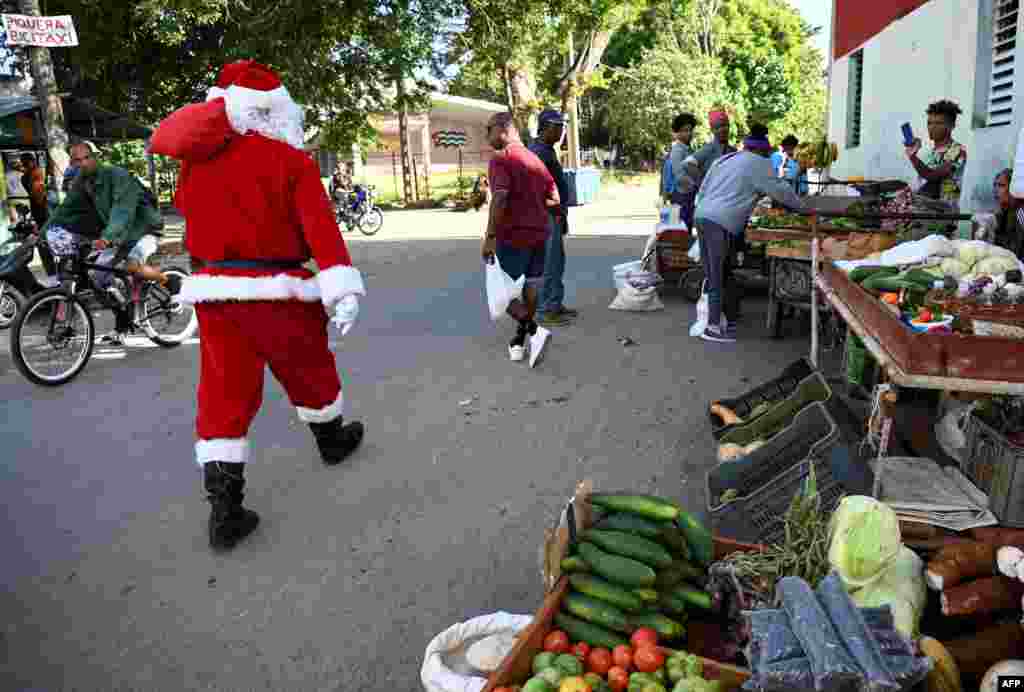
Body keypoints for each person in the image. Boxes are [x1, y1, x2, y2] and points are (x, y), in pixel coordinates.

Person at [148, 60, 367, 552]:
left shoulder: (196, 162)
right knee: (310, 370)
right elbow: (321, 230)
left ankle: (225, 510)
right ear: (278, 112)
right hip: (279, 292)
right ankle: (331, 441)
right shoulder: (293, 163)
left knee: (224, 394)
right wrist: (341, 289)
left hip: (216, 294)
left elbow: (185, 209)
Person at [44, 140, 172, 344]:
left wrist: (106, 237)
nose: (83, 163)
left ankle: (170, 283)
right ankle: (123, 319)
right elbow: (64, 209)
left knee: (132, 265)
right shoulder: (82, 181)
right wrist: (41, 233)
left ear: (97, 157)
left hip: (144, 229)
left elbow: (122, 211)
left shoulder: (118, 176)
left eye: (87, 157)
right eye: (77, 160)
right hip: (119, 235)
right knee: (99, 275)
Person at [693, 124, 805, 343]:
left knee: (718, 272)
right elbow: (781, 191)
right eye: (767, 152)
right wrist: (805, 209)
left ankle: (725, 318)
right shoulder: (759, 164)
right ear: (762, 151)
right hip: (721, 221)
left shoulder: (724, 160)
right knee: (717, 274)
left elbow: (704, 189)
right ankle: (713, 328)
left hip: (702, 215)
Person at [481, 111, 561, 368]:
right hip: (540, 233)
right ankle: (518, 340)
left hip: (512, 235)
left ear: (503, 130)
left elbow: (501, 198)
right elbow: (555, 199)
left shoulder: (501, 159)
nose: (487, 136)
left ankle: (536, 332)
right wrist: (532, 204)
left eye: (489, 129)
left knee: (501, 294)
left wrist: (490, 236)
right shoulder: (535, 160)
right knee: (531, 287)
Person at [529, 108, 577, 327]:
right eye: (558, 127)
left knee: (557, 260)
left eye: (562, 127)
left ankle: (554, 303)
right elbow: (537, 190)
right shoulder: (539, 152)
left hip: (553, 214)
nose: (561, 131)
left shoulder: (546, 150)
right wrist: (556, 211)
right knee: (551, 262)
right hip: (547, 215)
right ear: (546, 127)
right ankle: (547, 308)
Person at [905, 99, 967, 209]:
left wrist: (912, 157)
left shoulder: (958, 151)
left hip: (944, 216)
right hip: (924, 212)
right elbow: (922, 184)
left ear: (951, 126)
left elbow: (932, 176)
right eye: (929, 123)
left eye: (938, 123)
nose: (932, 127)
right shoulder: (928, 154)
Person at [666, 113, 698, 226]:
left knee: (687, 227)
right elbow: (679, 176)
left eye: (690, 130)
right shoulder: (677, 150)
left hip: (689, 196)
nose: (688, 133)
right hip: (681, 195)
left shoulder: (689, 149)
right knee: (682, 229)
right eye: (684, 130)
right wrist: (696, 186)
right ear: (677, 132)